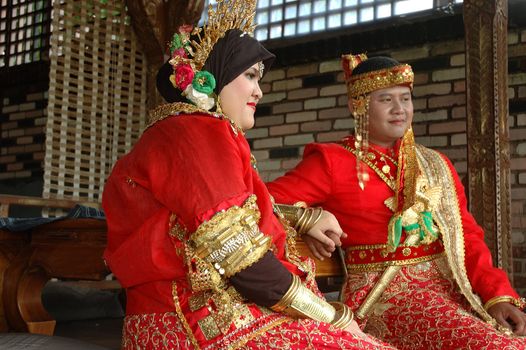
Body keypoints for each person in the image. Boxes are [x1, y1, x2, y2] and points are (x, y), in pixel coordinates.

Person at [102, 1, 396, 348]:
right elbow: (238, 254)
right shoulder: (195, 131)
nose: (259, 90)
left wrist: (302, 216)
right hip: (197, 321)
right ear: (214, 74)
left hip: (176, 319)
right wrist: (334, 317)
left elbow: (223, 213)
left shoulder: (183, 131)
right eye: (250, 75)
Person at [267, 53, 526, 349]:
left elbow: (467, 236)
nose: (399, 109)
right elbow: (260, 202)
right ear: (357, 105)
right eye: (386, 100)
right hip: (384, 296)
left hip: (452, 290)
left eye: (405, 98)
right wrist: (305, 220)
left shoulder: (435, 163)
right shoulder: (332, 161)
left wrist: (497, 295)